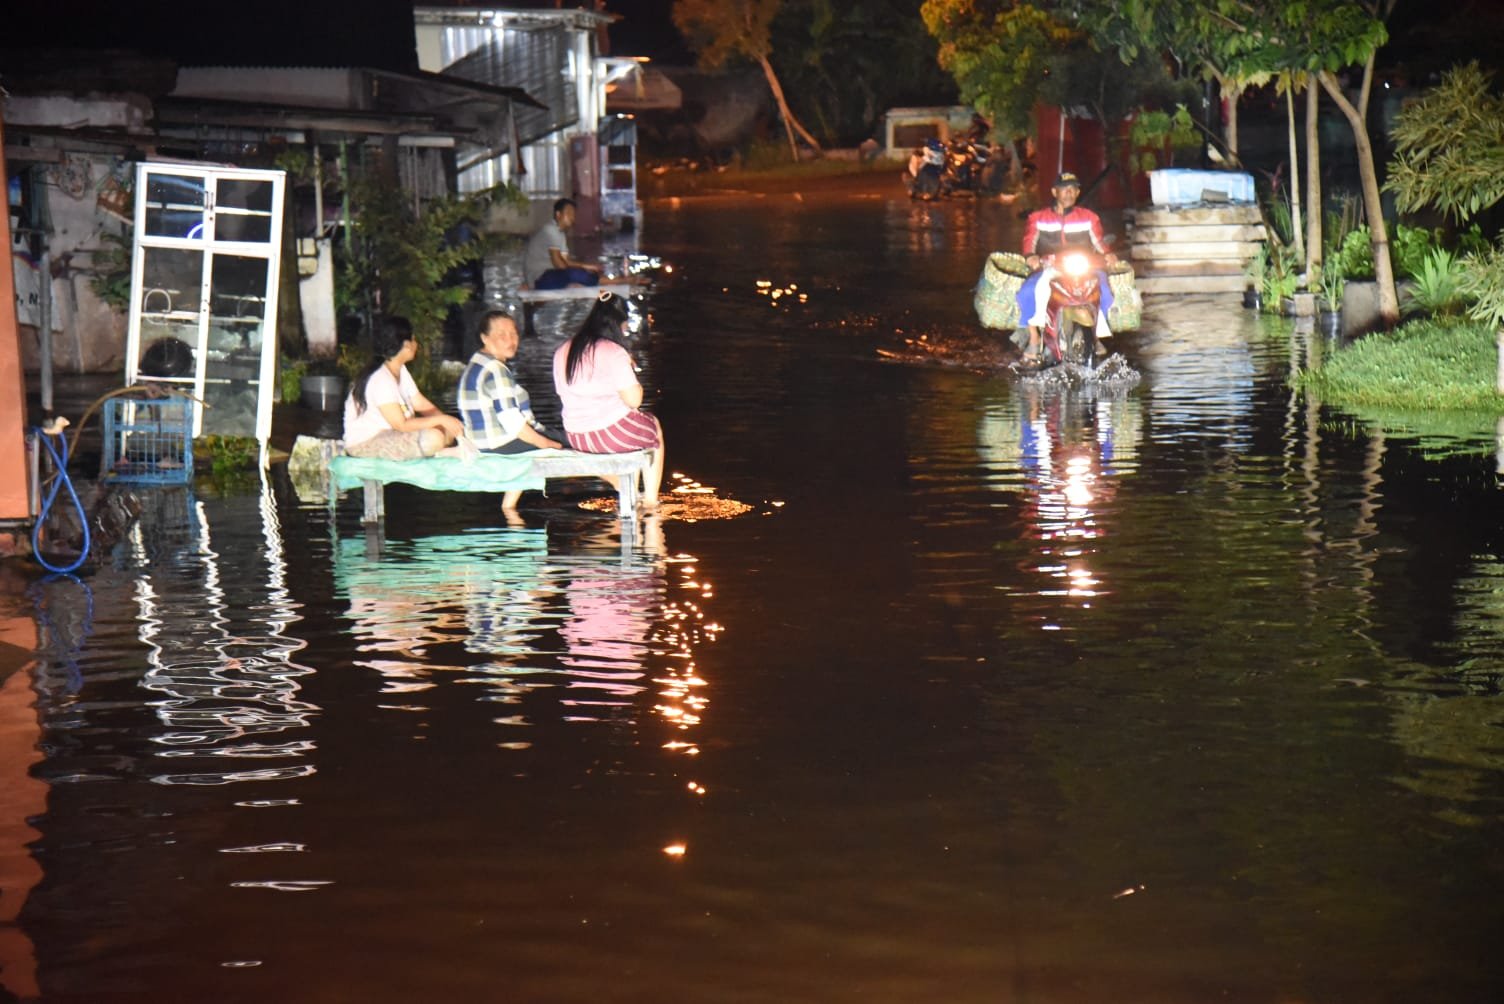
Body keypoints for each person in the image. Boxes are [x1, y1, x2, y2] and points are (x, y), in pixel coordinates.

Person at [551, 291, 665, 509]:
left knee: (632, 428)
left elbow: (562, 393)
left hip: (577, 437)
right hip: (610, 435)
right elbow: (634, 401)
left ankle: (628, 490)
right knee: (652, 427)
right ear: (618, 324)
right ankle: (650, 503)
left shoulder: (562, 350)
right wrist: (632, 371)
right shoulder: (613, 351)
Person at [457, 310, 566, 510]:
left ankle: (508, 508)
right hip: (500, 443)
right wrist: (547, 443)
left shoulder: (477, 363)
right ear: (484, 338)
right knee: (578, 442)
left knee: (545, 437)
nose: (510, 340)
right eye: (502, 335)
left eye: (514, 333)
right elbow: (512, 422)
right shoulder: (496, 370)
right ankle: (622, 488)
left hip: (482, 442)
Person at [1016, 172, 1116, 364]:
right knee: (1027, 292)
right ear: (1055, 192)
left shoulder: (1089, 217)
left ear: (1078, 192)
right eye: (1064, 189)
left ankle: (1096, 337)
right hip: (1051, 266)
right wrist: (1031, 256)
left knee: (1105, 291)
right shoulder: (1038, 218)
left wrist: (1107, 253)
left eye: (1073, 189)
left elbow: (1100, 241)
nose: (1069, 193)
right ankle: (1035, 339)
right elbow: (1029, 241)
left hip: (1084, 266)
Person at [343, 316, 468, 460]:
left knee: (447, 431)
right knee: (433, 438)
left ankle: (440, 451)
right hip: (365, 444)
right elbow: (401, 425)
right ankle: (440, 452)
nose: (416, 344)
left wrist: (447, 422)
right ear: (407, 344)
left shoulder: (400, 369)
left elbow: (421, 404)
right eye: (414, 340)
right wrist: (442, 420)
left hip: (391, 434)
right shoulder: (380, 379)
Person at [524, 197, 601, 290]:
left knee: (581, 273)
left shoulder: (560, 234)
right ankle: (602, 280)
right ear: (558, 214)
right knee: (576, 274)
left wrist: (587, 266)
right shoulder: (550, 231)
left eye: (573, 214)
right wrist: (577, 274)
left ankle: (587, 280)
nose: (572, 217)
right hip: (539, 278)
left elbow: (567, 261)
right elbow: (558, 264)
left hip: (550, 275)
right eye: (568, 213)